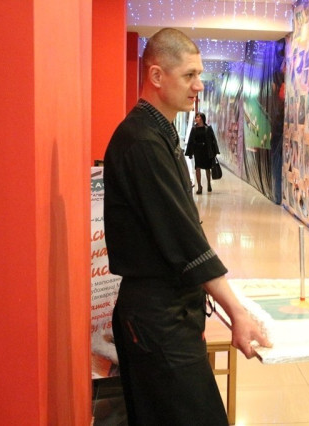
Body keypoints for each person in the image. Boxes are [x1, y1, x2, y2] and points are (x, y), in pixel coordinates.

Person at [103, 28, 270, 426]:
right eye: (189, 75)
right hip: (157, 318)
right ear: (156, 76)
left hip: (166, 313)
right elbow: (183, 238)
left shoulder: (156, 133)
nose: (199, 85)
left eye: (200, 75)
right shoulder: (142, 141)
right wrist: (236, 311)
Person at [186, 112, 220, 194]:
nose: (196, 119)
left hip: (206, 151)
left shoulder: (208, 128)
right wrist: (190, 153)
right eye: (196, 117)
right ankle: (199, 186)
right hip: (198, 151)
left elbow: (213, 140)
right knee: (197, 168)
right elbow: (191, 141)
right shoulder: (194, 129)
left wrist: (215, 151)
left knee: (207, 168)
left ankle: (209, 183)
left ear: (202, 118)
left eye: (198, 117)